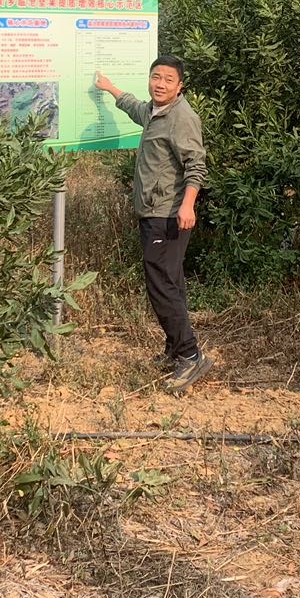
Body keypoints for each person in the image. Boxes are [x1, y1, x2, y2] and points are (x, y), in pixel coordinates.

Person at [94, 56, 213, 392]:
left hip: (168, 214)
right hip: (153, 211)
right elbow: (135, 108)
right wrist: (109, 88)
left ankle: (190, 355)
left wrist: (187, 205)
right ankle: (176, 349)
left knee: (161, 285)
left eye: (168, 79)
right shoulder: (154, 111)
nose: (160, 84)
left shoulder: (181, 117)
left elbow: (196, 165)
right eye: (155, 77)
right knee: (171, 281)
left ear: (180, 86)